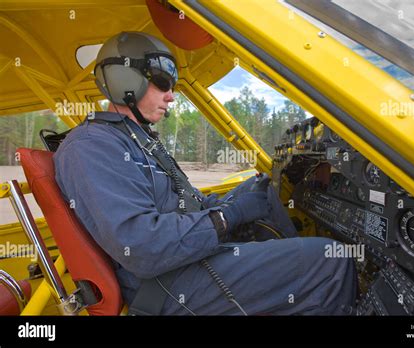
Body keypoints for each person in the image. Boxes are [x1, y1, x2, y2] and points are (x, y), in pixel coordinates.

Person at [54, 31, 357, 315]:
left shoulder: (136, 140)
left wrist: (239, 200)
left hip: (181, 263)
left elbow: (189, 204)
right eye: (162, 82)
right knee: (330, 260)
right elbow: (143, 247)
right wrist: (229, 216)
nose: (171, 96)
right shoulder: (92, 146)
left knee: (262, 187)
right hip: (165, 283)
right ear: (123, 79)